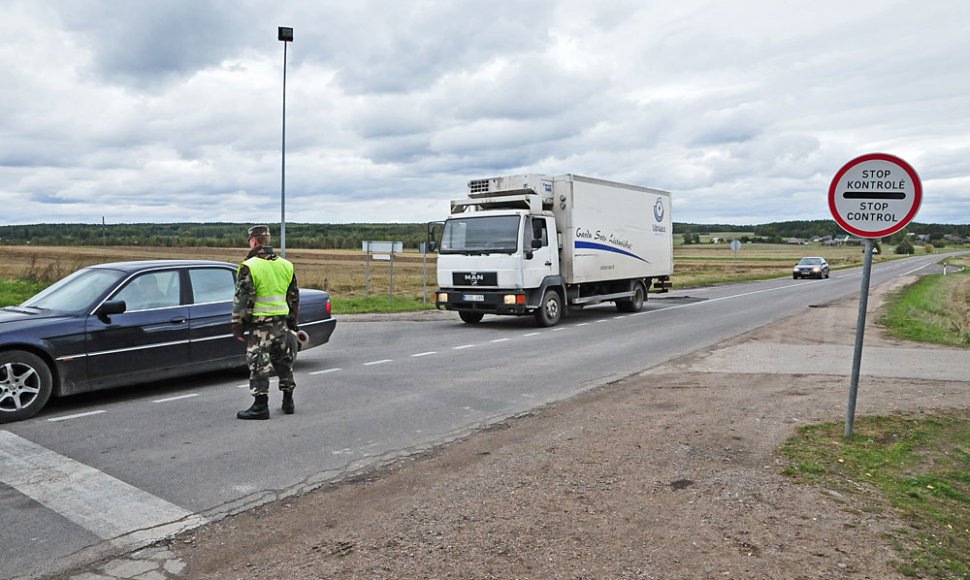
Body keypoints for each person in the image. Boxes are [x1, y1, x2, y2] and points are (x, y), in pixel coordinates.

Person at [232, 225, 301, 420]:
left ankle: (260, 406)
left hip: (261, 326)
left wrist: (238, 325)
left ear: (253, 241)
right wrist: (292, 323)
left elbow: (241, 300)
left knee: (258, 363)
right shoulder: (286, 265)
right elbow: (294, 298)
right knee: (284, 362)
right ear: (268, 240)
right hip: (282, 324)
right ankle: (288, 400)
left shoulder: (250, 266)